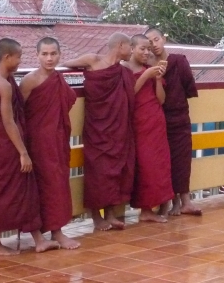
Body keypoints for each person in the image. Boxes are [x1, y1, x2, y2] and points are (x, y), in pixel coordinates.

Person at [0, 38, 59, 255]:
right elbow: (8, 122)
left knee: (17, 191)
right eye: (18, 57)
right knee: (8, 193)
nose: (20, 61)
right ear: (7, 57)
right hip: (7, 148)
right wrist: (23, 153)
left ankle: (38, 240)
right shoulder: (3, 84)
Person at [62, 33, 135, 231]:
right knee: (97, 171)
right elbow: (65, 64)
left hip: (117, 127)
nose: (132, 51)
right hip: (97, 127)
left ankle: (110, 214)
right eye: (130, 46)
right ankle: (96, 216)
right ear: (120, 46)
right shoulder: (92, 61)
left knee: (116, 169)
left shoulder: (124, 72)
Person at [19, 37, 80, 249]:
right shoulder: (30, 80)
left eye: (53, 54)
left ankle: (57, 231)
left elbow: (67, 101)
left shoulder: (58, 79)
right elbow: (19, 113)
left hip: (56, 139)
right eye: (44, 54)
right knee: (38, 187)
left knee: (58, 184)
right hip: (36, 143)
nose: (49, 58)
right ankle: (41, 237)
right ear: (36, 56)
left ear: (59, 55)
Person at [146, 28, 202, 216]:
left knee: (182, 160)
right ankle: (172, 202)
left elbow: (188, 86)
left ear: (164, 39)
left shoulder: (178, 61)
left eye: (156, 39)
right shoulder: (147, 67)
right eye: (149, 42)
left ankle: (185, 201)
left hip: (179, 118)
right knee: (164, 162)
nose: (154, 44)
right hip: (158, 120)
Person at [123, 34, 174, 223]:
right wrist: (145, 76)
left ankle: (156, 206)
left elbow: (161, 99)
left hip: (156, 123)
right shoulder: (125, 69)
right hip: (139, 124)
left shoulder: (149, 70)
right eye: (142, 49)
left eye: (148, 49)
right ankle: (145, 210)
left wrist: (158, 78)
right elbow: (128, 95)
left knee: (160, 165)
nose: (146, 52)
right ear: (132, 48)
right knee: (146, 166)